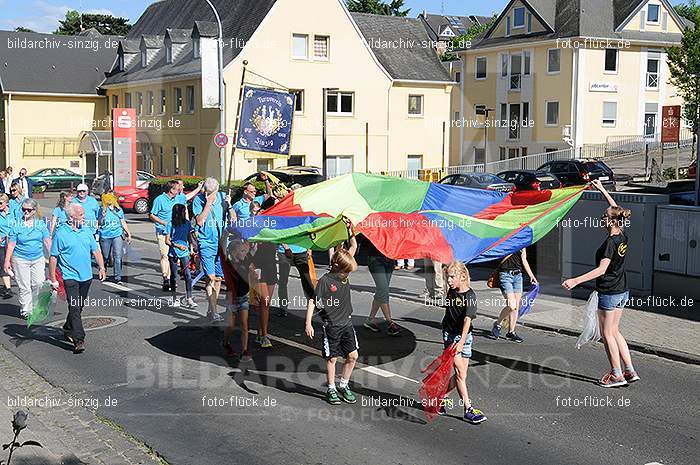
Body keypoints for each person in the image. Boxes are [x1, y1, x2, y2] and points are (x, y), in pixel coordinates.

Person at [562, 179, 638, 388]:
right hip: (622, 289)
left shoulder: (609, 244)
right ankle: (630, 370)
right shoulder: (623, 235)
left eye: (604, 217)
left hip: (609, 291)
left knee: (607, 334)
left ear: (612, 221)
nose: (601, 219)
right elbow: (616, 209)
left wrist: (575, 281)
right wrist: (603, 190)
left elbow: (601, 270)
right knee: (615, 331)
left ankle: (617, 375)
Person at [305, 223, 359, 405]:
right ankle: (331, 388)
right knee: (332, 358)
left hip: (347, 323)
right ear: (337, 267)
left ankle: (343, 385)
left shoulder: (345, 270)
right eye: (346, 271)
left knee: (353, 356)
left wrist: (351, 231)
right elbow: (313, 301)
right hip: (332, 326)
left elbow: (353, 247)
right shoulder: (325, 281)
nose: (348, 274)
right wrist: (308, 323)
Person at [49, 203, 106, 354]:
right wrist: (53, 278)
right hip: (70, 277)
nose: (84, 217)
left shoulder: (86, 231)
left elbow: (96, 251)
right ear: (71, 216)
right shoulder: (61, 234)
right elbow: (53, 257)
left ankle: (68, 327)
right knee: (74, 306)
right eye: (81, 215)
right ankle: (79, 339)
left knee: (78, 307)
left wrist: (101, 267)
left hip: (86, 277)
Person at [439, 262, 487, 424]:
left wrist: (462, 341)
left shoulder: (470, 296)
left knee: (462, 375)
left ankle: (440, 399)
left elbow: (467, 320)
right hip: (450, 336)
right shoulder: (452, 291)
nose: (449, 281)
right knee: (460, 374)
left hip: (464, 338)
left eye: (452, 277)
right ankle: (468, 409)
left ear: (463, 277)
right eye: (447, 277)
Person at [150, 179, 203, 291]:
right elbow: (152, 215)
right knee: (164, 255)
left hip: (178, 232)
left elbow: (188, 197)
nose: (180, 189)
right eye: (178, 187)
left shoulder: (179, 197)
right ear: (171, 190)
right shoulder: (159, 200)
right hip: (163, 231)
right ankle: (166, 279)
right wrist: (163, 222)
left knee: (174, 257)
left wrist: (198, 188)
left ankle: (172, 277)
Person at [3, 199, 51, 318]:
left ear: (34, 211)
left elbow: (47, 241)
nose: (26, 212)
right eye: (23, 209)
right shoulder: (16, 225)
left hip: (38, 258)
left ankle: (36, 306)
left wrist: (53, 257)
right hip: (20, 259)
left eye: (28, 210)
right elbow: (11, 244)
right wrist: (6, 261)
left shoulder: (40, 224)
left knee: (39, 283)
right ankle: (26, 310)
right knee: (24, 286)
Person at [193, 177, 229, 322]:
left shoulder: (222, 197)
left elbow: (231, 218)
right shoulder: (198, 200)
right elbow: (200, 221)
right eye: (207, 192)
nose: (210, 194)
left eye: (212, 192)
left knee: (219, 278)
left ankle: (211, 308)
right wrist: (208, 203)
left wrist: (229, 204)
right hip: (206, 243)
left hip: (221, 243)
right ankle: (214, 312)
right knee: (211, 277)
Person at [490, 247, 538, 343]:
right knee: (511, 305)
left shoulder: (522, 243)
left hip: (518, 276)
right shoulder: (507, 240)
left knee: (516, 306)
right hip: (505, 275)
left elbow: (524, 260)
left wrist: (531, 276)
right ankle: (498, 324)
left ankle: (511, 332)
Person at [220, 231, 254, 362]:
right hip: (232, 299)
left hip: (244, 297)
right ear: (234, 252)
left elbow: (250, 245)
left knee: (245, 326)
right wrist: (225, 235)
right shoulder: (228, 264)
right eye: (241, 251)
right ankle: (225, 342)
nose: (244, 253)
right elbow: (223, 251)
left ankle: (244, 351)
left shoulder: (246, 261)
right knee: (231, 326)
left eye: (244, 251)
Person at [249, 200, 277, 348]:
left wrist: (287, 248)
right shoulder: (252, 227)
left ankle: (260, 333)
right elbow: (247, 250)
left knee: (265, 304)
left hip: (271, 267)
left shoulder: (272, 228)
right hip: (258, 268)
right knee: (264, 302)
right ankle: (265, 336)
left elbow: (280, 241)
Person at [361, 236, 401, 336]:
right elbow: (364, 241)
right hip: (376, 259)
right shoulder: (373, 223)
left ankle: (370, 319)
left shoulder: (394, 223)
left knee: (382, 290)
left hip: (389, 260)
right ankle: (389, 322)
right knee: (383, 290)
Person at [165, 203, 196, 308]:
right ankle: (174, 299)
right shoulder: (170, 224)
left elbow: (189, 237)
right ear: (179, 213)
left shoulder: (187, 223)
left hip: (185, 252)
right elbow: (167, 241)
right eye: (183, 211)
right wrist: (177, 246)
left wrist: (191, 249)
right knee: (174, 276)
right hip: (173, 252)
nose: (185, 213)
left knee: (188, 274)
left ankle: (189, 298)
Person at [98, 193, 131, 284]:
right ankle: (103, 272)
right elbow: (100, 223)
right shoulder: (101, 209)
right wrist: (103, 216)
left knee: (118, 256)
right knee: (105, 256)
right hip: (105, 235)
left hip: (117, 234)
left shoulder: (118, 209)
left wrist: (128, 233)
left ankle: (118, 277)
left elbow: (122, 222)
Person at [277, 243, 315, 317]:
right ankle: (283, 308)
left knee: (307, 281)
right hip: (284, 251)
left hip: (301, 251)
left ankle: (312, 307)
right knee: (283, 281)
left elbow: (307, 232)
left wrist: (309, 248)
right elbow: (278, 231)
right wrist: (286, 247)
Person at [0, 194, 14, 298]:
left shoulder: (13, 213)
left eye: (0, 203)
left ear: (6, 203)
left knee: (14, 264)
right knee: (3, 263)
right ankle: (8, 289)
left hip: (13, 243)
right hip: (2, 244)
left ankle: (6, 286)